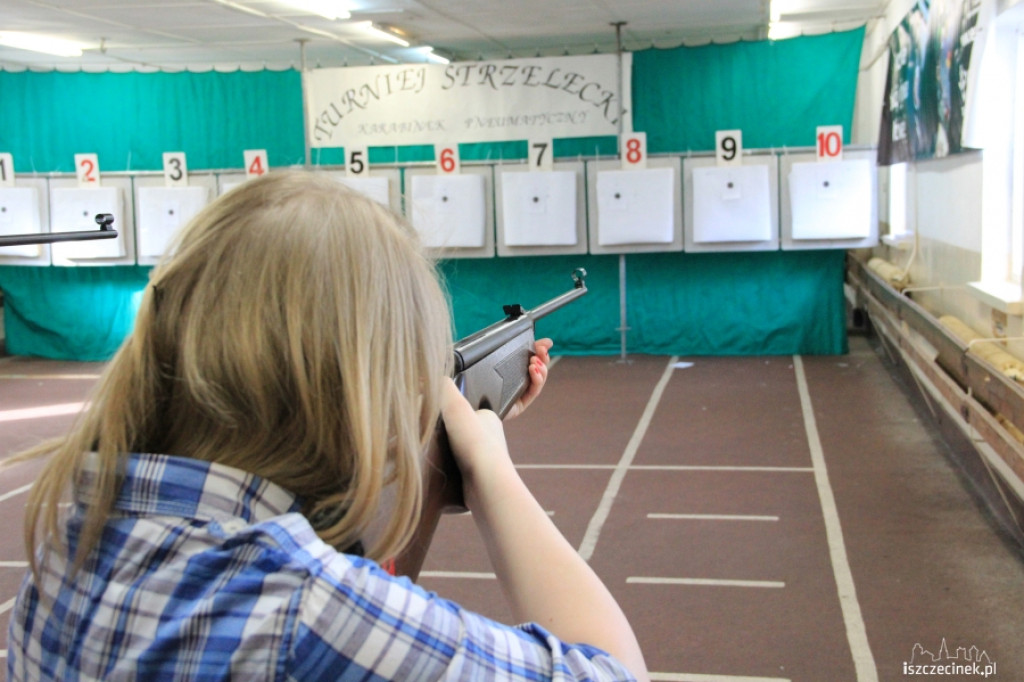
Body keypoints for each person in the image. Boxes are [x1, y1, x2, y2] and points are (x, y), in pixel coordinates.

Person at [6, 170, 650, 681]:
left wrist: (431, 476)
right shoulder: (303, 613)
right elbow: (614, 672)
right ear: (359, 396)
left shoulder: (69, 548)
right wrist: (490, 473)